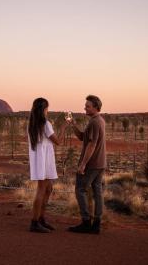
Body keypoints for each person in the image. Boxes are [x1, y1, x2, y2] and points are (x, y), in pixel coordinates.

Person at [67, 95, 106, 234]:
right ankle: (96, 224)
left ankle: (85, 222)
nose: (85, 107)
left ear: (95, 107)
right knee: (97, 192)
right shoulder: (99, 120)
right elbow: (83, 137)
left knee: (80, 189)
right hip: (100, 163)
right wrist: (73, 125)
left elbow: (92, 144)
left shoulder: (95, 122)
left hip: (92, 164)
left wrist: (83, 164)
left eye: (88, 106)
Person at [28, 97, 64, 233]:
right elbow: (58, 141)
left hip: (41, 159)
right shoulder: (45, 124)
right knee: (42, 190)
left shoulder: (32, 123)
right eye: (47, 108)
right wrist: (65, 126)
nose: (47, 111)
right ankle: (35, 222)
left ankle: (41, 219)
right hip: (44, 160)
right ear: (43, 109)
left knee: (48, 189)